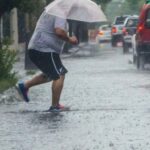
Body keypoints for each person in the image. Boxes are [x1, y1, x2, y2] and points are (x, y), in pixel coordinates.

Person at [16, 10, 78, 112]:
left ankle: (25, 86)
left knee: (52, 74)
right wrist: (70, 39)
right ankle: (55, 106)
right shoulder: (60, 12)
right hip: (44, 48)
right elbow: (59, 31)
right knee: (60, 74)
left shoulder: (51, 10)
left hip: (38, 47)